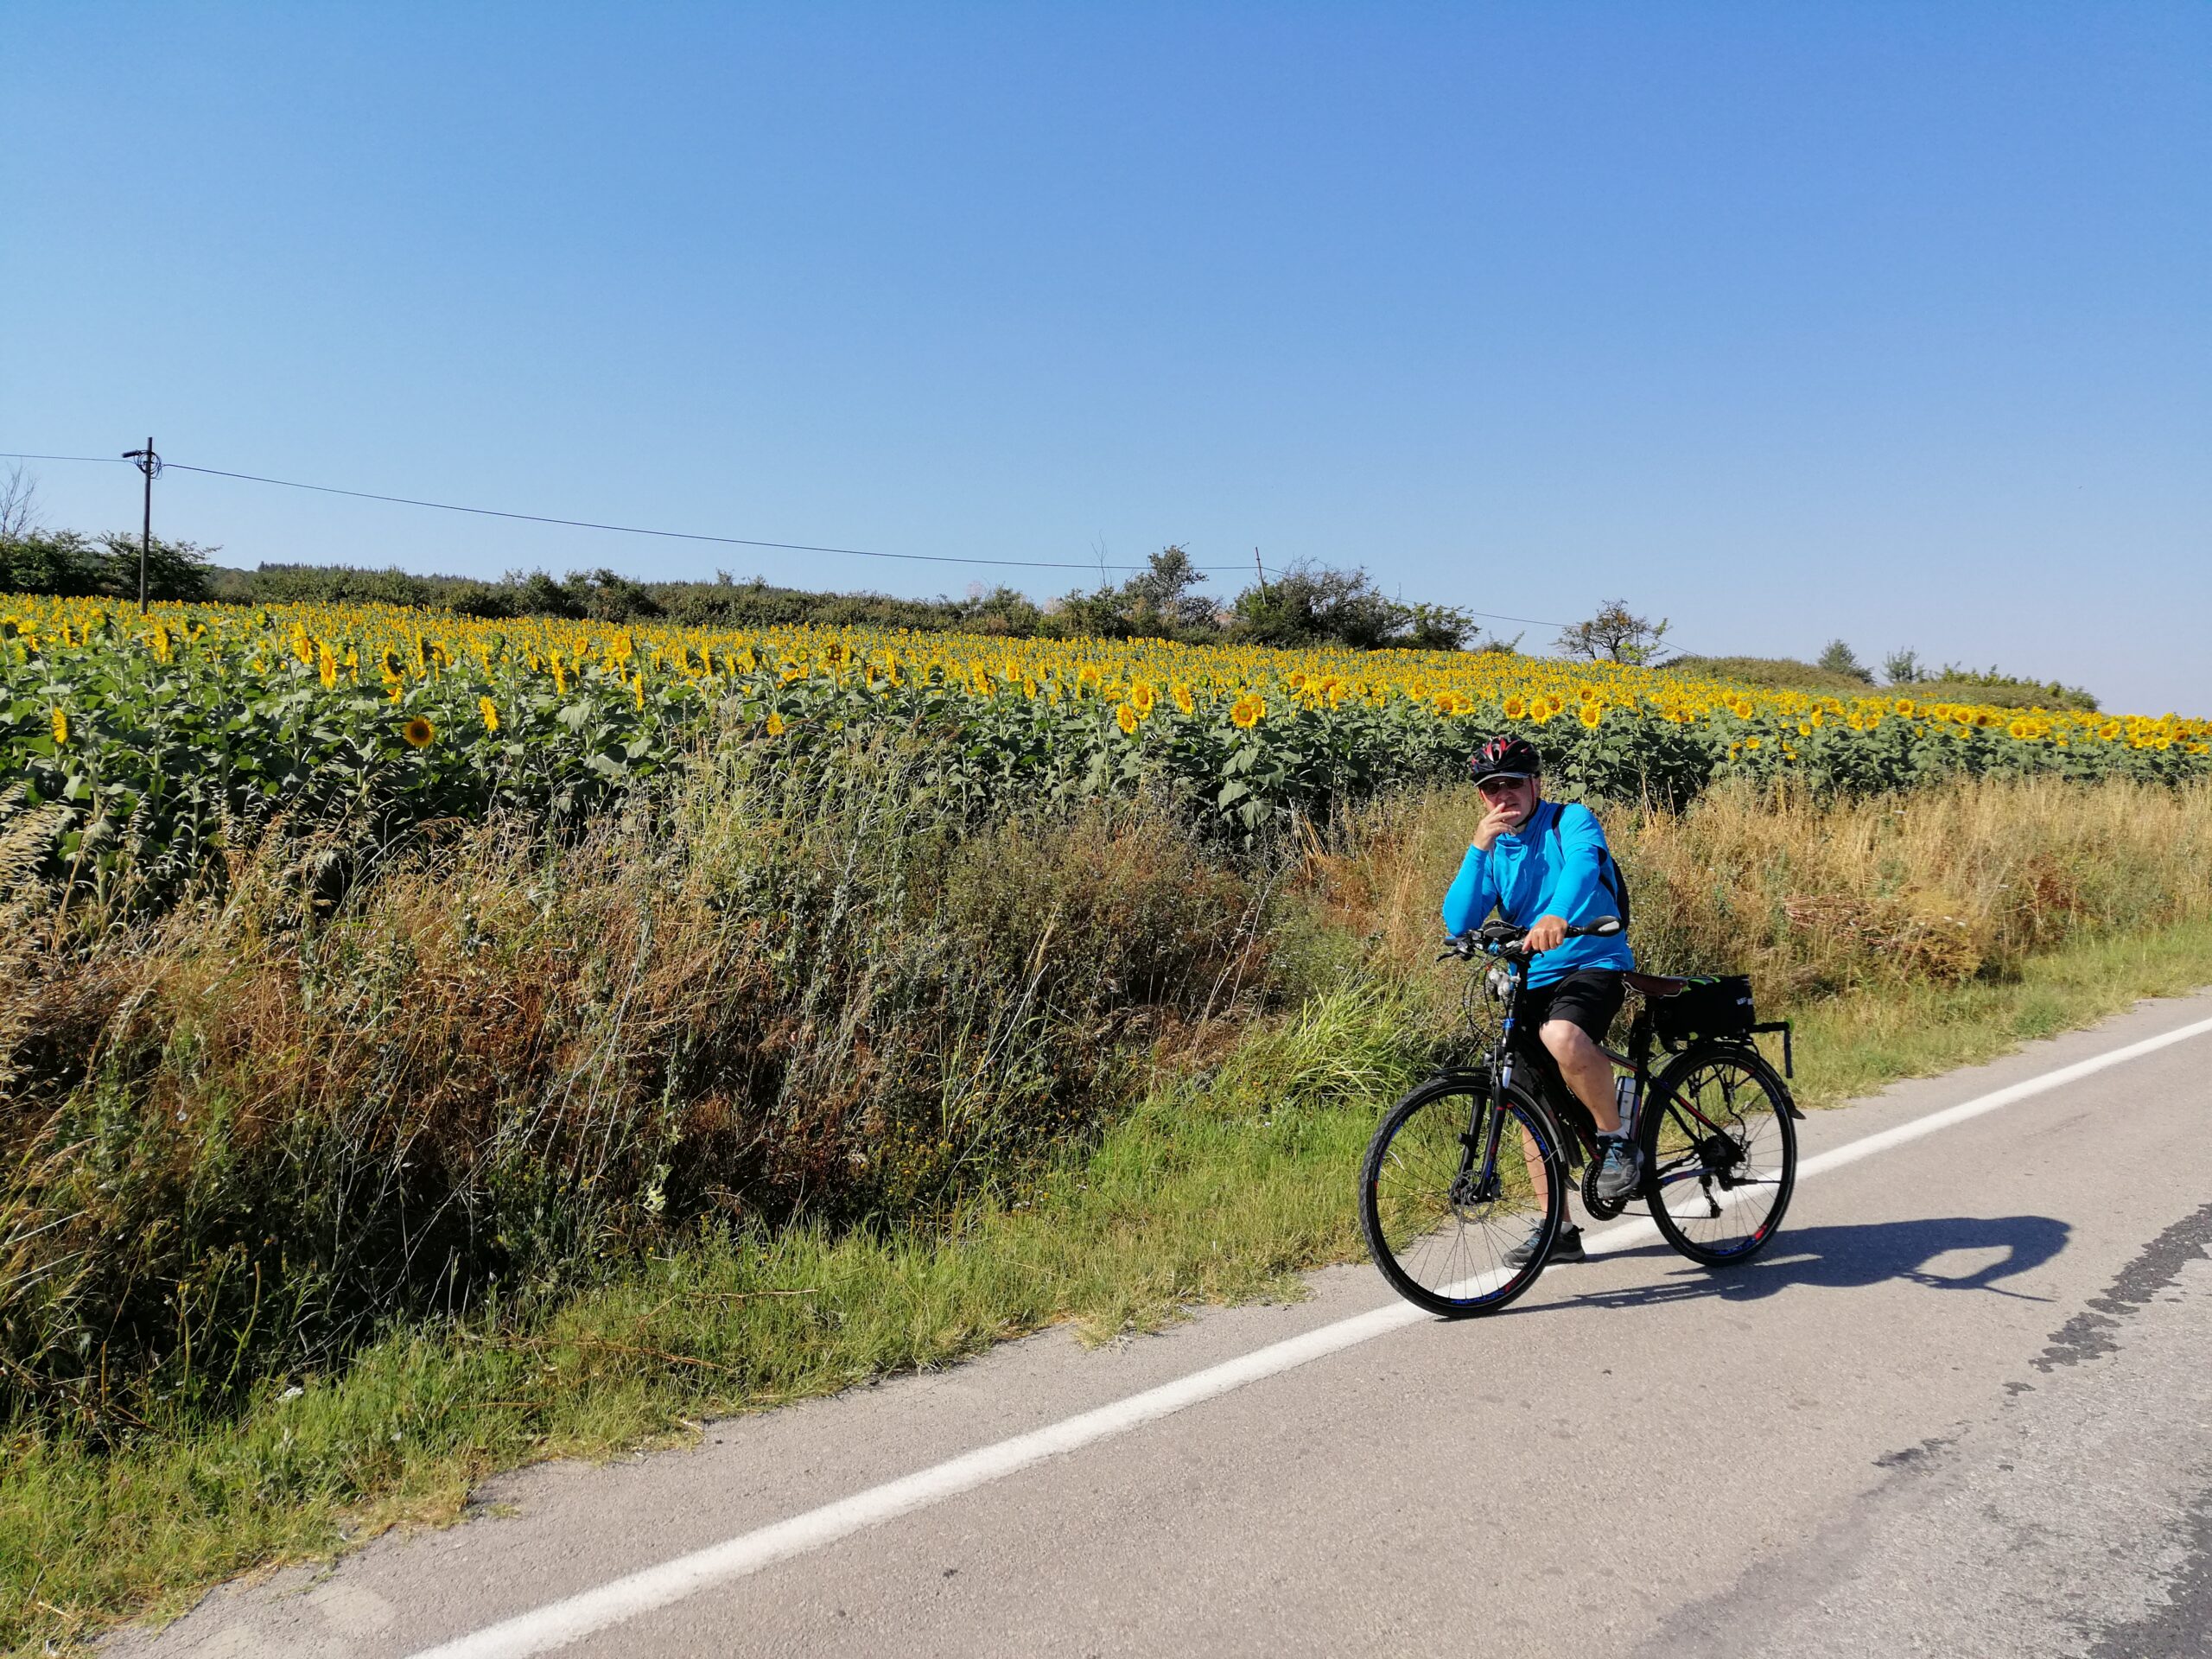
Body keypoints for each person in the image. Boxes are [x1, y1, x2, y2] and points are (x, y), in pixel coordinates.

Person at [1441, 734, 1638, 1266]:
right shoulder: (1493, 847)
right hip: (1527, 977)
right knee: (1526, 1104)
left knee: (1562, 1035)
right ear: (1482, 798)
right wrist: (1477, 847)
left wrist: (1556, 914)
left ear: (1535, 784)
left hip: (1592, 962)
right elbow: (1459, 920)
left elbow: (1580, 866)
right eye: (1491, 789)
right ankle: (1560, 1230)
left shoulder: (1569, 820)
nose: (1503, 796)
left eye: (1512, 784)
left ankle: (1617, 1139)